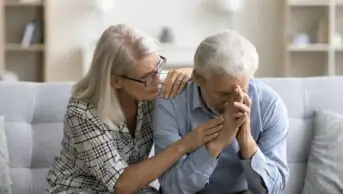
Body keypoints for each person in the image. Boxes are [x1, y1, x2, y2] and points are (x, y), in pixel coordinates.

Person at [46, 24, 224, 194]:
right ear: (116, 81)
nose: (158, 81)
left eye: (158, 67)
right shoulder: (82, 112)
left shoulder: (148, 89)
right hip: (80, 189)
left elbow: (200, 78)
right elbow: (121, 185)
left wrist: (192, 72)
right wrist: (186, 143)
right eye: (147, 77)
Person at [153, 29, 289, 194]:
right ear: (197, 77)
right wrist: (216, 144)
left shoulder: (268, 104)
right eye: (224, 93)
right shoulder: (171, 102)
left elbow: (274, 189)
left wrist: (246, 141)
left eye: (243, 89)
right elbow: (172, 188)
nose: (234, 101)